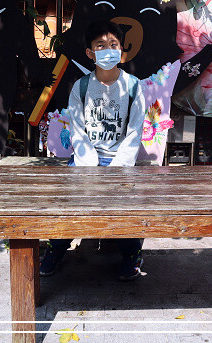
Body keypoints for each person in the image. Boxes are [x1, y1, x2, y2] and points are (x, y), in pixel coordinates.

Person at [39, 20, 147, 281]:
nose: (108, 50)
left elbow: (134, 132)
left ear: (121, 50)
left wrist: (117, 169)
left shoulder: (134, 87)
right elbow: (78, 130)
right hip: (85, 158)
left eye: (113, 44)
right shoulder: (81, 87)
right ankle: (56, 248)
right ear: (90, 52)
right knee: (69, 202)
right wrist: (90, 167)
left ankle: (132, 253)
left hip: (120, 160)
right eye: (101, 45)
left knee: (123, 205)